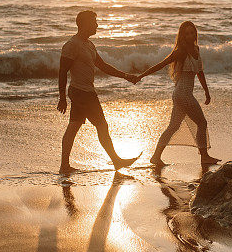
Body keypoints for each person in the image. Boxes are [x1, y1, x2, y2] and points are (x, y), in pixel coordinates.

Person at [57, 10, 140, 174]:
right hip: (81, 93)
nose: (97, 25)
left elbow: (103, 66)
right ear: (84, 24)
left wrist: (125, 76)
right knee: (101, 126)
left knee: (73, 127)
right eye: (94, 22)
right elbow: (62, 72)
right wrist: (62, 98)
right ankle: (116, 161)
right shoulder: (72, 45)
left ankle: (64, 166)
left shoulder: (88, 44)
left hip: (86, 91)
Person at [135, 21, 220, 166]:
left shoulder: (196, 49)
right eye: (186, 33)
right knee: (201, 122)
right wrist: (141, 75)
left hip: (181, 94)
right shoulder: (180, 51)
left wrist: (207, 91)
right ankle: (204, 157)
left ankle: (156, 157)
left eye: (192, 32)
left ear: (195, 33)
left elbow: (200, 72)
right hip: (183, 94)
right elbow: (162, 64)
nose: (190, 35)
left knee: (173, 127)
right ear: (182, 35)